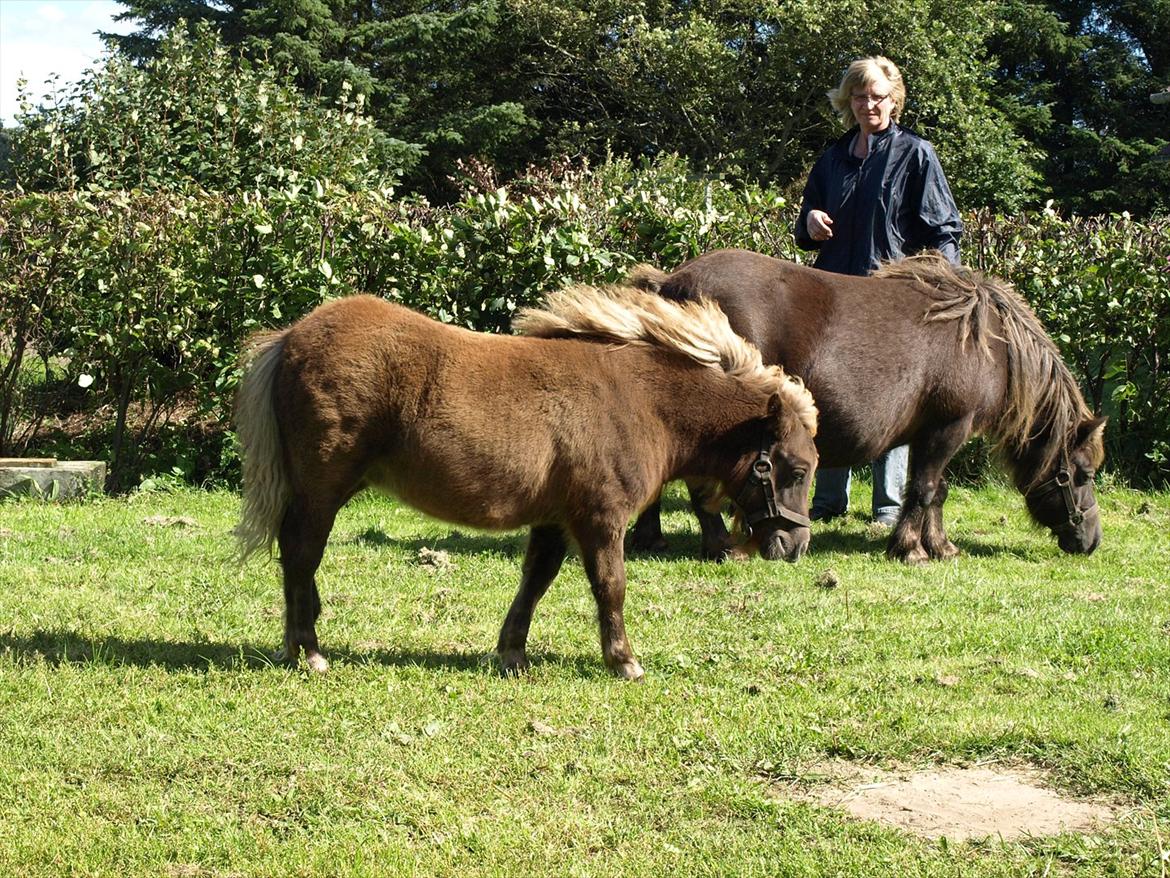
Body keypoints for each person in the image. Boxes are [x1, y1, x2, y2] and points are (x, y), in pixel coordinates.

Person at [795, 55, 963, 526]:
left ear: (895, 101)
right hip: (832, 297)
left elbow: (945, 230)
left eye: (878, 96)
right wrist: (809, 221)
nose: (869, 104)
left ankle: (888, 507)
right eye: (860, 95)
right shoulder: (833, 156)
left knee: (893, 399)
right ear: (848, 100)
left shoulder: (915, 154)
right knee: (829, 394)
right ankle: (828, 501)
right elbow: (806, 219)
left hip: (891, 303)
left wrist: (939, 291)